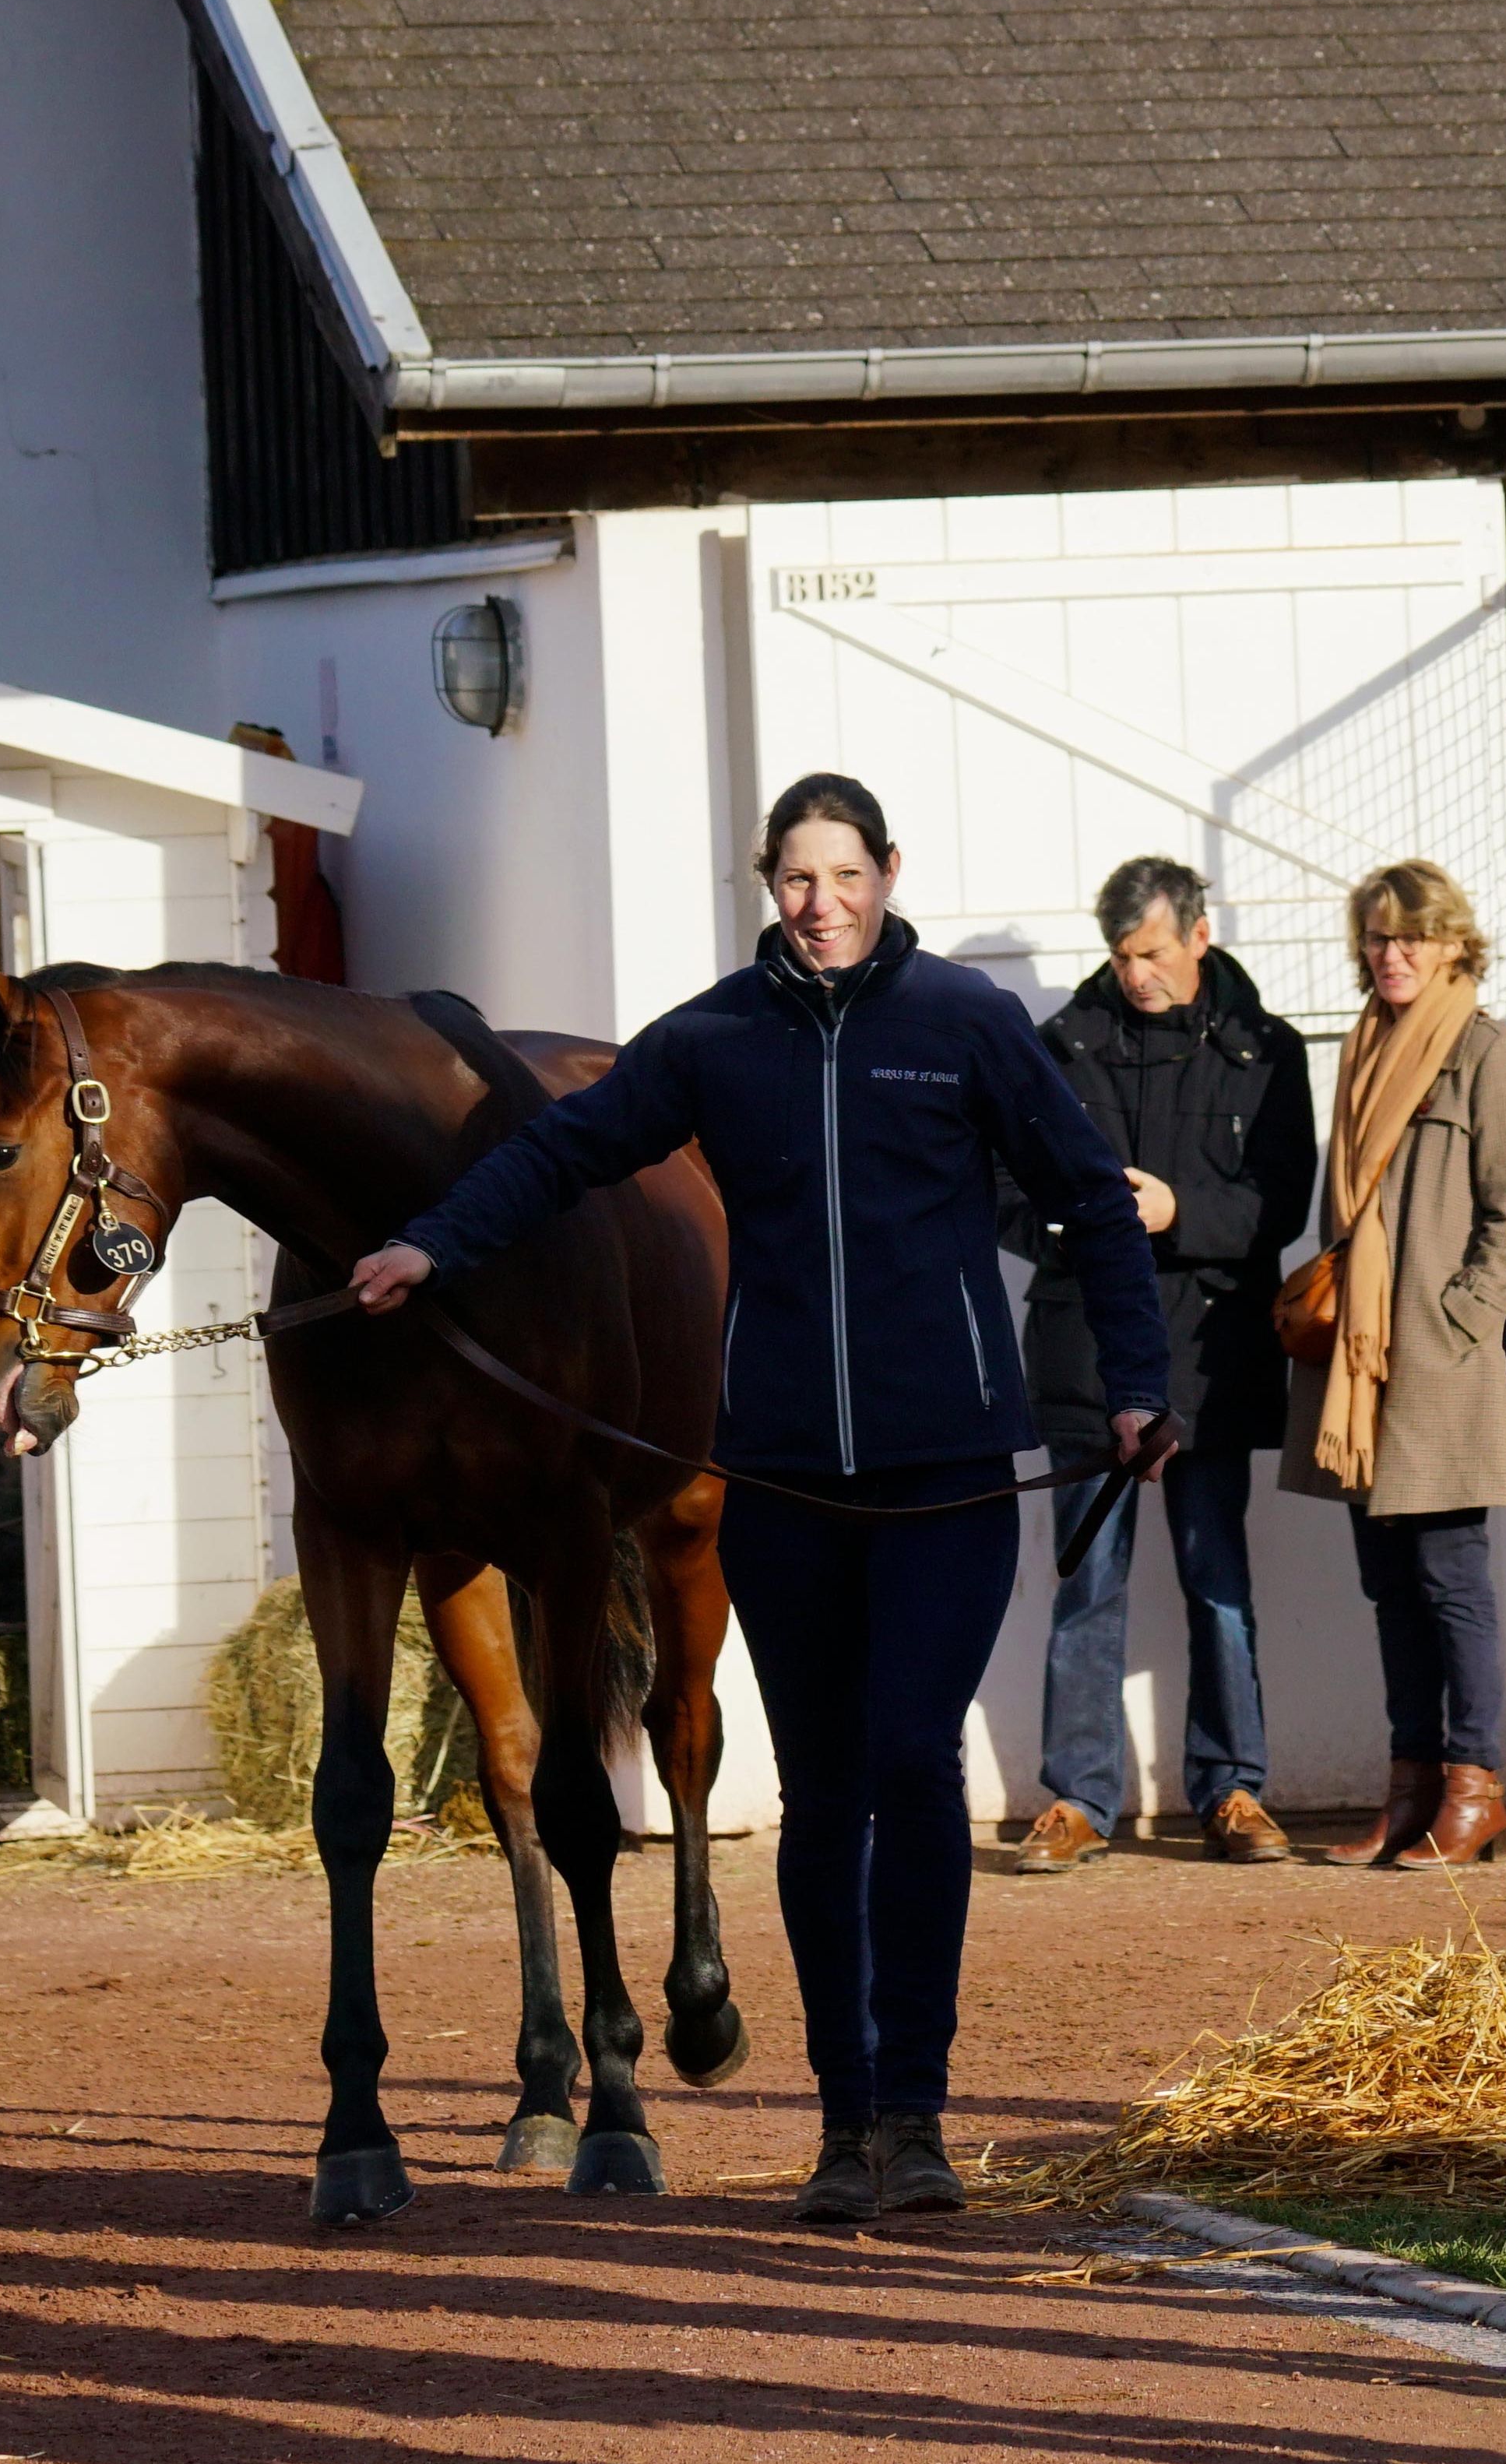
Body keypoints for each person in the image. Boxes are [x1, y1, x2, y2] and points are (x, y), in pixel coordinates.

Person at [348, 772, 1172, 2229]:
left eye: (843, 874)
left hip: (943, 1477)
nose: (820, 902)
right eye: (794, 878)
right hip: (784, 1478)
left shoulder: (967, 1026)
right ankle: (843, 2125)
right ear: (768, 887)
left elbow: (1092, 1199)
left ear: (887, 872)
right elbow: (560, 1151)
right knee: (820, 1792)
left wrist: (1137, 1381)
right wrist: (431, 1242)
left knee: (914, 1764)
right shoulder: (715, 1039)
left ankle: (914, 2113)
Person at [1001, 857, 1318, 1872]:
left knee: (1215, 1578)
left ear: (1198, 935)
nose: (1134, 973)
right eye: (1119, 955)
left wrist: (1177, 1212)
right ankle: (1077, 1798)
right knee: (1086, 1582)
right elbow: (1002, 1191)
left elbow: (1280, 1200)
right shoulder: (1056, 1049)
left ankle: (1232, 1789)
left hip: (1207, 1356)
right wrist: (1083, 1222)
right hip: (1086, 1352)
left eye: (1149, 952)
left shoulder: (1265, 1052)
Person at [1286, 859, 1506, 1867]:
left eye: (1410, 936)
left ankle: (1474, 1788)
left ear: (1453, 944)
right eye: (1376, 937)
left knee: (1449, 1576)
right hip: (1361, 1368)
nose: (1391, 954)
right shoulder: (1364, 1047)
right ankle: (1408, 1790)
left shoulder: (1486, 1054)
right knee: (1387, 1582)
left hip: (1439, 1363)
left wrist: (1455, 1321)